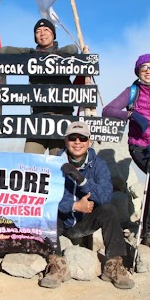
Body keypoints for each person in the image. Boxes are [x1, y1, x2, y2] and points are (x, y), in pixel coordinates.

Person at [39, 121, 134, 290]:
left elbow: (105, 197)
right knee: (47, 214)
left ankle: (114, 266)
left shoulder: (99, 165)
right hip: (62, 219)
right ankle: (56, 265)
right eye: (72, 138)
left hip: (86, 219)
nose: (77, 142)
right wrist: (74, 206)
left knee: (109, 210)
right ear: (65, 140)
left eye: (82, 138)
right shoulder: (52, 164)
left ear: (89, 141)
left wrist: (82, 181)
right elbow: (46, 197)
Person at [102, 54, 150, 255]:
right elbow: (107, 110)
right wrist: (131, 115)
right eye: (144, 67)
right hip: (139, 147)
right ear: (138, 71)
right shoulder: (132, 91)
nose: (148, 70)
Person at [0, 19, 80, 155]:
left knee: (59, 163)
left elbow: (73, 49)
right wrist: (32, 54)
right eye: (38, 31)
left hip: (62, 117)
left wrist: (48, 57)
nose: (42, 33)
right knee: (29, 161)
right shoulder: (31, 57)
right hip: (37, 119)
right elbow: (3, 51)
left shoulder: (63, 54)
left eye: (46, 30)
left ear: (53, 34)